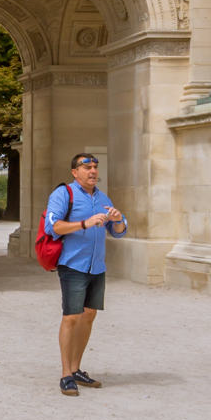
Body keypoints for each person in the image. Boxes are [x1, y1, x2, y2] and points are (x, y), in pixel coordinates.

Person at [45, 153, 128, 394]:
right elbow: (54, 226)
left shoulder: (102, 197)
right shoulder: (63, 194)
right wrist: (85, 223)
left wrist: (119, 218)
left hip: (97, 266)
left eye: (95, 166)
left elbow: (119, 232)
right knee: (71, 317)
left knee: (89, 315)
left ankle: (77, 369)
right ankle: (65, 375)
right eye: (86, 167)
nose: (92, 170)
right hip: (73, 265)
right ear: (74, 172)